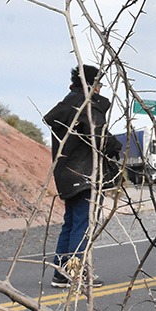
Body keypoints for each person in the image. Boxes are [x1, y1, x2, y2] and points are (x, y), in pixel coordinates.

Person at [43, 63, 121, 289]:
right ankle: (76, 273)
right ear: (93, 85)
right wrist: (115, 145)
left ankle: (61, 271)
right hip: (86, 174)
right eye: (99, 84)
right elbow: (98, 137)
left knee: (71, 223)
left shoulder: (66, 105)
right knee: (83, 225)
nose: (100, 89)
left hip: (67, 174)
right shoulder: (87, 106)